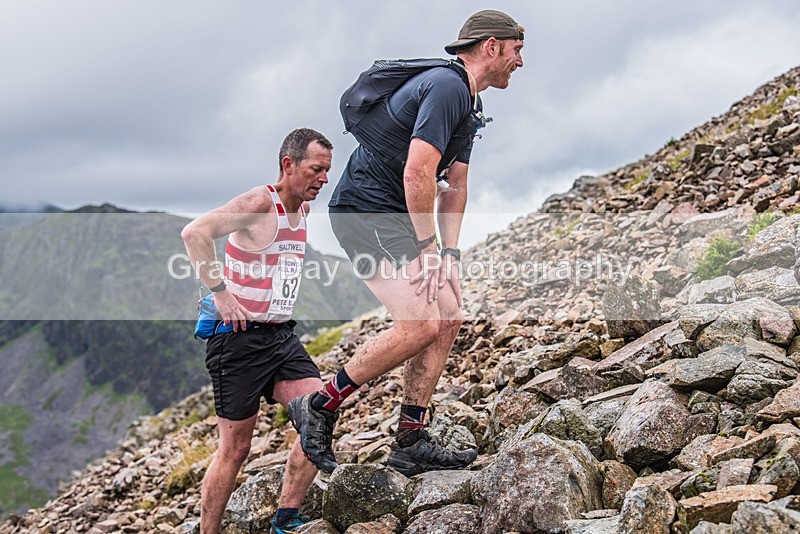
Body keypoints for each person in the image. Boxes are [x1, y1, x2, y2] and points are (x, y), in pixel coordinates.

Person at [288, 10, 524, 476]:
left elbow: (454, 185)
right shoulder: (447, 87)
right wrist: (428, 249)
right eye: (517, 50)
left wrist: (449, 257)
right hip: (366, 211)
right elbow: (417, 172)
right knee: (419, 324)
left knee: (449, 314)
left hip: (395, 215)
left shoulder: (469, 104)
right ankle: (319, 403)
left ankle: (410, 438)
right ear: (492, 46)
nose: (520, 62)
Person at [181, 128, 333, 534]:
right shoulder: (257, 203)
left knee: (317, 414)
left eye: (327, 171)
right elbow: (195, 233)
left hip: (280, 336)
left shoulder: (304, 209)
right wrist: (221, 294)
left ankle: (285, 518)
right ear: (289, 165)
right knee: (236, 449)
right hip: (237, 340)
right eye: (316, 169)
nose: (323, 179)